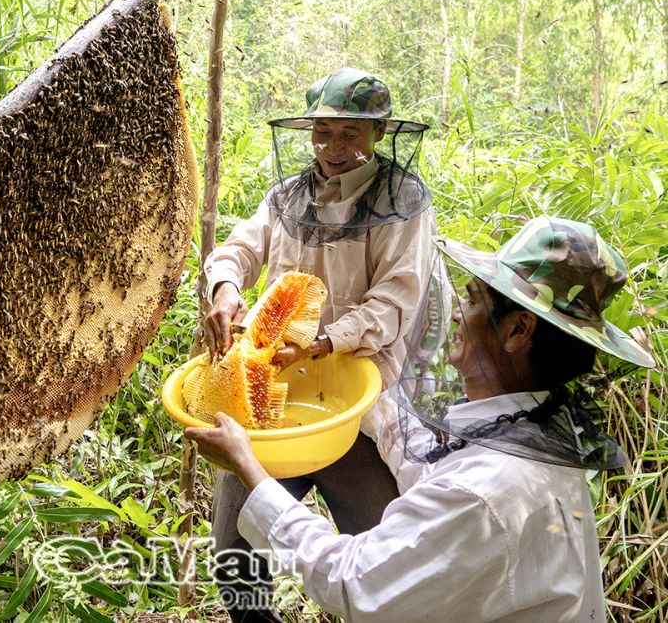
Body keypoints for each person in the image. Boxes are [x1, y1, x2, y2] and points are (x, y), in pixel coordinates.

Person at [188, 216, 657, 622]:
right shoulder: (532, 429)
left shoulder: (481, 495)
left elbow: (353, 582)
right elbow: (432, 465)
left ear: (518, 330)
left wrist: (250, 467)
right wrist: (352, 394)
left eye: (472, 301)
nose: (459, 313)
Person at [201, 67, 437, 621]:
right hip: (273, 398)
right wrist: (226, 288)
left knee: (383, 558)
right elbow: (238, 250)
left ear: (378, 133)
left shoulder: (404, 202)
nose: (333, 147)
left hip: (360, 409)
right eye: (323, 132)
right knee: (234, 554)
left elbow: (395, 302)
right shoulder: (289, 193)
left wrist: (327, 340)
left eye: (349, 133)